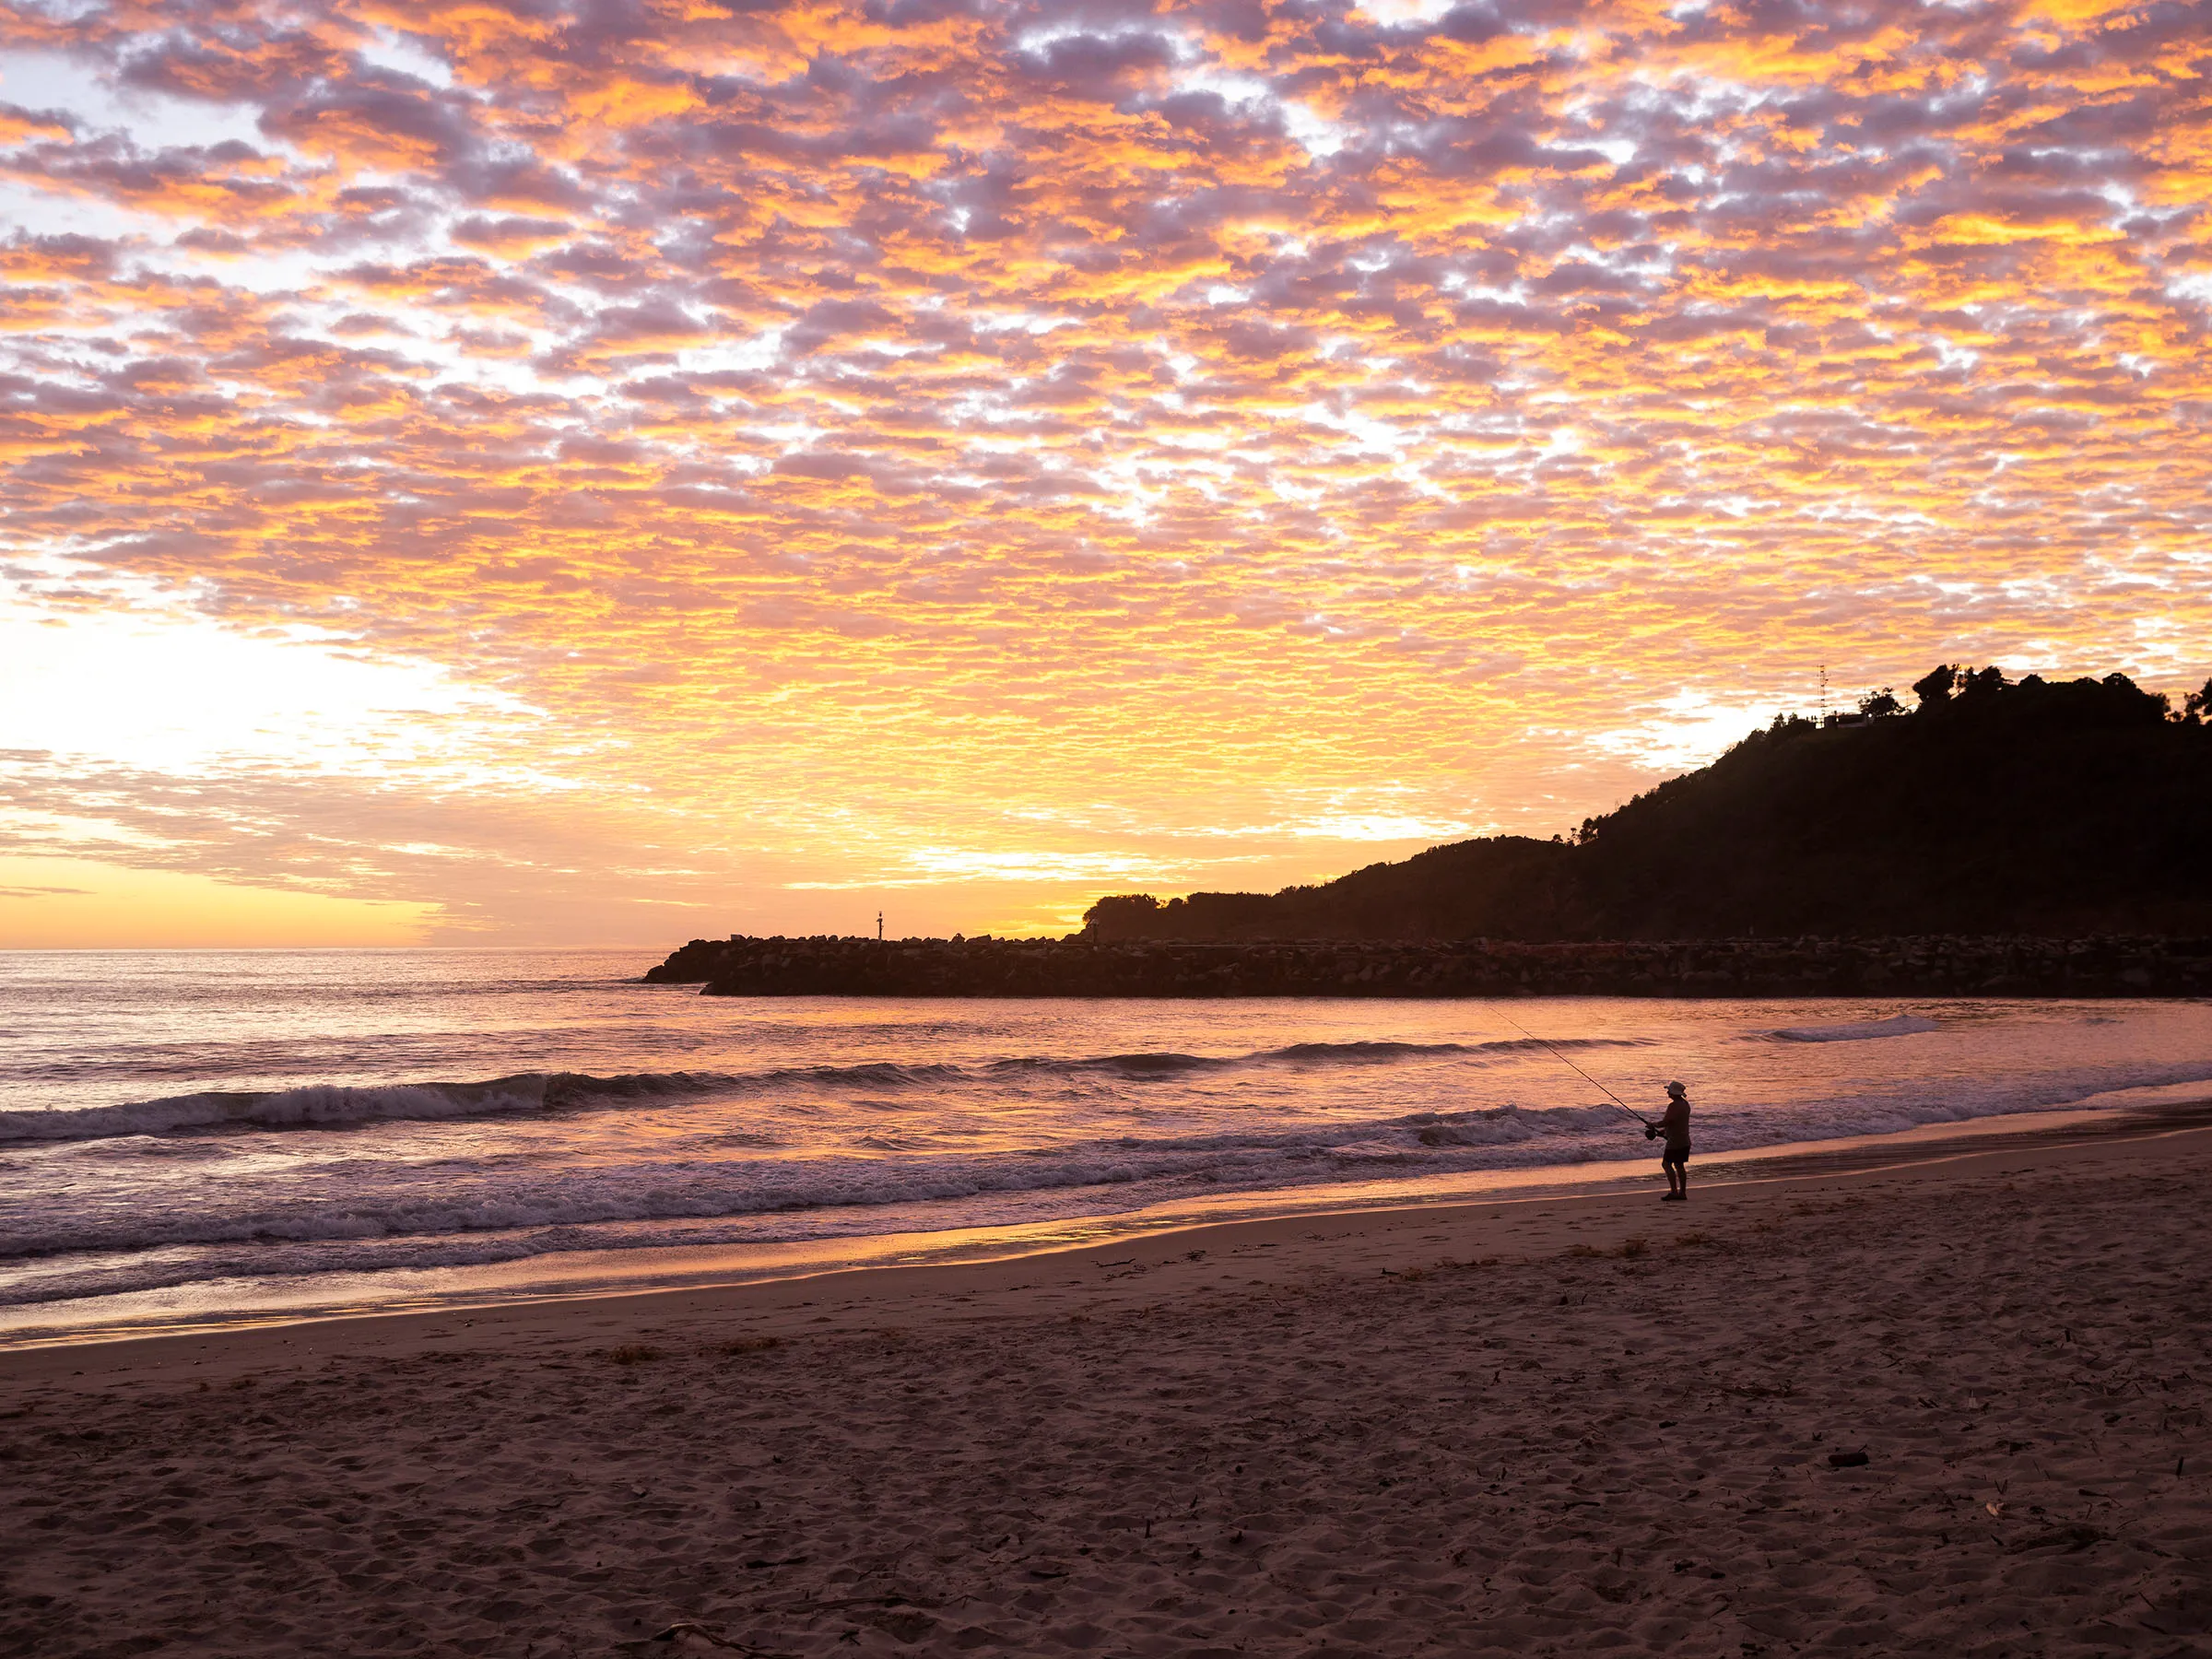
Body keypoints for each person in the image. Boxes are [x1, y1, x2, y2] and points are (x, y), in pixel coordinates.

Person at [1642, 1081, 1691, 1201]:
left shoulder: (1673, 1106)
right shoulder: (1685, 1104)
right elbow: (1677, 1123)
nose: (1667, 1092)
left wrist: (1652, 1125)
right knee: (1679, 1166)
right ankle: (1682, 1193)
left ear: (1674, 1093)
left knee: (1666, 1164)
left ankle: (1674, 1192)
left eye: (1669, 1090)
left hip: (1675, 1141)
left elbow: (1667, 1122)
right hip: (1684, 1139)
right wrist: (1664, 1132)